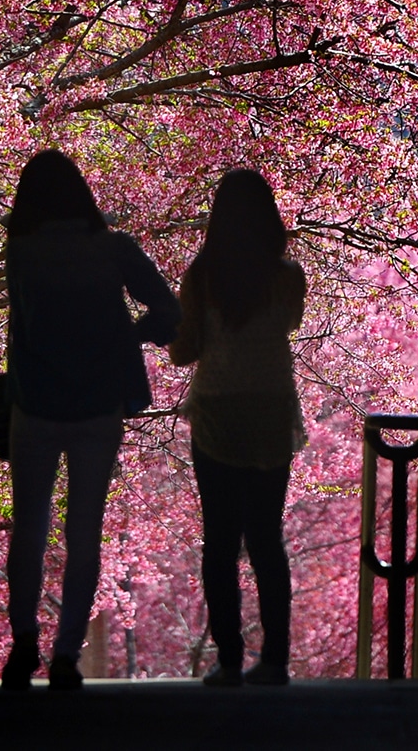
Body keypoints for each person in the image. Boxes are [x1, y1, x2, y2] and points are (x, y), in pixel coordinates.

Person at [0, 149, 178, 691]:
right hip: (98, 407)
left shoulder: (21, 253)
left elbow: (23, 329)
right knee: (84, 532)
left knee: (28, 530)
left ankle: (23, 644)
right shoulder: (114, 249)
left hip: (34, 404)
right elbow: (168, 313)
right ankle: (65, 654)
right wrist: (129, 337)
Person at [170, 168, 307, 688]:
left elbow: (184, 350)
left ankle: (228, 659)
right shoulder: (287, 275)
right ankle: (275, 660)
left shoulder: (202, 276)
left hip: (217, 415)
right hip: (271, 415)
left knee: (220, 543)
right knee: (267, 540)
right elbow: (289, 323)